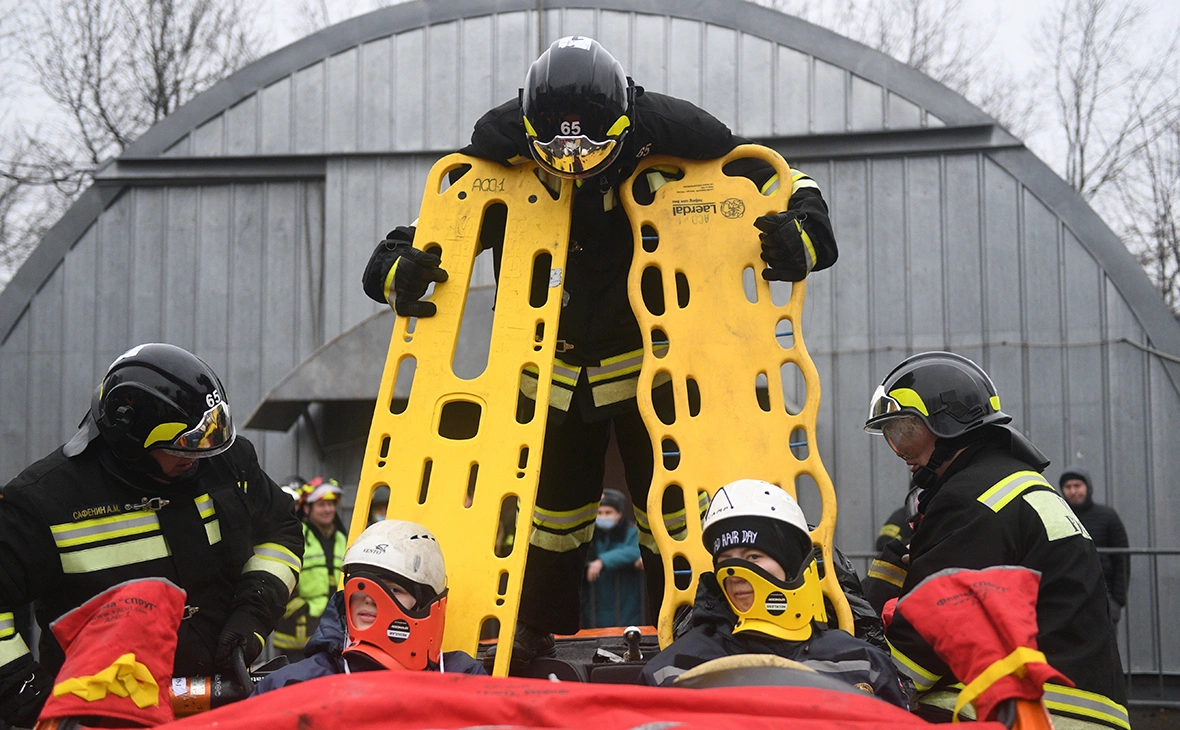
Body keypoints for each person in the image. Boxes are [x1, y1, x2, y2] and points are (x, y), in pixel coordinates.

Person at [361, 35, 838, 664]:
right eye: (554, 148)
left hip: (652, 370)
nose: (573, 161)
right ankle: (528, 634)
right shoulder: (503, 137)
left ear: (625, 125)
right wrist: (399, 260)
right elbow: (455, 211)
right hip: (549, 366)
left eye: (590, 146)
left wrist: (806, 217)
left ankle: (689, 632)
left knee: (670, 511)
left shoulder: (673, 130)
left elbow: (764, 172)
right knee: (546, 518)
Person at [0, 343, 304, 727]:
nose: (196, 458)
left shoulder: (226, 465)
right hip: (102, 718)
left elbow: (281, 532)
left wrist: (252, 616)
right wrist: (37, 702)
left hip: (216, 708)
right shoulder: (42, 501)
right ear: (131, 440)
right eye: (183, 446)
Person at [863, 351, 1128, 728]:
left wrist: (854, 673)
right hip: (1087, 707)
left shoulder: (971, 497)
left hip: (1045, 711)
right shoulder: (1010, 483)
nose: (899, 451)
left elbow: (920, 650)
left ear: (947, 425)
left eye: (904, 432)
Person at [639, 480, 908, 707]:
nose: (736, 572)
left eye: (753, 556)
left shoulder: (860, 662)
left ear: (792, 564)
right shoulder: (675, 669)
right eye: (726, 559)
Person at [252, 519, 485, 693]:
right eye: (361, 587)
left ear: (426, 604)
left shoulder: (462, 678)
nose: (369, 599)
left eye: (394, 590)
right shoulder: (295, 687)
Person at [272, 478, 348, 660]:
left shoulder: (341, 538)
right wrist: (300, 610)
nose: (328, 510)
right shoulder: (296, 535)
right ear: (307, 509)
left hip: (333, 632)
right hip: (296, 635)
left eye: (331, 504)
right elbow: (280, 577)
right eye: (322, 505)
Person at [1060, 466, 1130, 627]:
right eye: (1068, 487)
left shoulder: (1108, 516)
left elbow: (1122, 558)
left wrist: (1117, 600)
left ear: (1087, 487)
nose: (1073, 491)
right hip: (1069, 598)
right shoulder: (1058, 517)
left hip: (1104, 596)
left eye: (1077, 486)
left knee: (1106, 649)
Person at [582, 489, 644, 628]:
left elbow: (636, 549)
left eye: (608, 512)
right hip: (596, 597)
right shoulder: (590, 534)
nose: (603, 517)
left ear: (619, 514)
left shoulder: (631, 531)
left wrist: (602, 561)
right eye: (599, 513)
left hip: (625, 598)